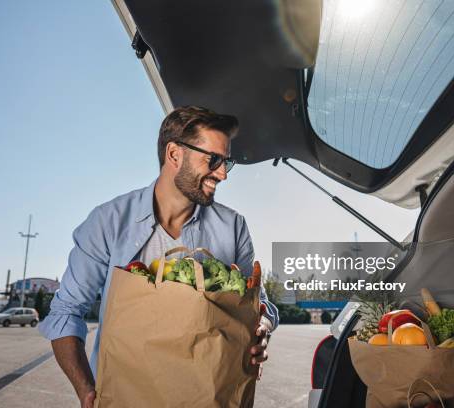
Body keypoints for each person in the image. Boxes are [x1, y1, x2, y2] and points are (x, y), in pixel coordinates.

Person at [39, 106, 279, 407]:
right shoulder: (108, 222)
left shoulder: (232, 227)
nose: (222, 174)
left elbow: (260, 306)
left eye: (226, 162)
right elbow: (66, 313)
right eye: (213, 159)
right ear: (174, 154)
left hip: (209, 396)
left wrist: (262, 330)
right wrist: (86, 390)